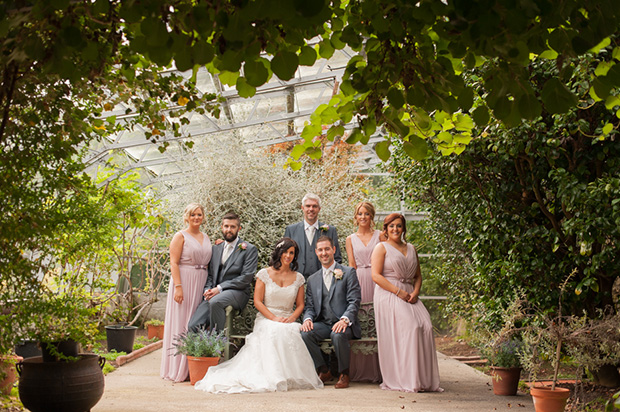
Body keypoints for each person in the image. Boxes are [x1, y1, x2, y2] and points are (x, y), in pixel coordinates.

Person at [194, 238, 323, 393]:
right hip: (267, 318)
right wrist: (273, 318)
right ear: (279, 253)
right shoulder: (264, 274)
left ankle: (291, 376)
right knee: (274, 330)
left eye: (291, 253)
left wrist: (292, 318)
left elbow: (301, 304)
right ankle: (274, 376)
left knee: (293, 331)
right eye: (285, 252)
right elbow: (257, 301)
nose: (288, 256)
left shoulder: (299, 278)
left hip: (288, 318)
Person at [371, 213, 443, 392]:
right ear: (386, 228)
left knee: (425, 325)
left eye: (399, 226)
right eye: (392, 226)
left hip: (410, 293)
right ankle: (405, 378)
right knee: (411, 327)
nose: (395, 229)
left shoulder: (411, 248)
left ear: (403, 228)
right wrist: (398, 291)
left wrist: (416, 292)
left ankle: (423, 379)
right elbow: (375, 275)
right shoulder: (381, 247)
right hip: (389, 293)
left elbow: (418, 276)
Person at [161, 203, 213, 382]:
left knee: (195, 321)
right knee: (181, 322)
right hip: (184, 280)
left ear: (203, 217)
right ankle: (177, 369)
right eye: (193, 215)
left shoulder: (206, 237)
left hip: (201, 281)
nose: (196, 218)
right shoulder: (180, 236)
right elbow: (173, 262)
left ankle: (193, 366)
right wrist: (178, 286)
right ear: (187, 217)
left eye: (199, 214)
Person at [301, 236, 361, 389]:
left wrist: (345, 319)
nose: (324, 253)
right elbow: (309, 306)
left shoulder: (348, 272)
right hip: (324, 324)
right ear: (316, 252)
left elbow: (354, 301)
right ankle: (324, 370)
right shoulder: (313, 279)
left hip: (344, 324)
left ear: (333, 250)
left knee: (338, 334)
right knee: (305, 333)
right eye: (320, 250)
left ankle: (344, 373)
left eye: (327, 249)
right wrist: (307, 319)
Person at [188, 212, 258, 332]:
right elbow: (210, 275)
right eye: (226, 226)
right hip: (214, 293)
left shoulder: (249, 250)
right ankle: (201, 350)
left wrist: (220, 288)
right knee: (193, 326)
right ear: (222, 227)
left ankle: (217, 344)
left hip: (238, 293)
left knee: (216, 302)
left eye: (232, 227)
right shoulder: (215, 249)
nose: (229, 230)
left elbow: (246, 278)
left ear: (239, 228)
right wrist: (208, 290)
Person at [345, 201, 382, 383]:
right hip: (359, 279)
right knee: (361, 321)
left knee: (378, 321)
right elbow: (351, 265)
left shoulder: (381, 236)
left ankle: (380, 370)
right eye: (360, 214)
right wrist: (352, 288)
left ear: (372, 216)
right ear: (355, 217)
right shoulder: (350, 239)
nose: (363, 217)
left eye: (366, 214)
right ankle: (361, 370)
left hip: (377, 280)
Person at [284, 193, 342, 279]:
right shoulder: (291, 230)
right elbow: (284, 257)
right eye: (308, 206)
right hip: (296, 280)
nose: (311, 209)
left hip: (323, 280)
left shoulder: (330, 230)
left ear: (319, 209)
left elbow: (337, 258)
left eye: (314, 206)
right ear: (302, 208)